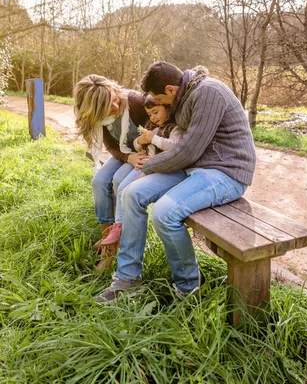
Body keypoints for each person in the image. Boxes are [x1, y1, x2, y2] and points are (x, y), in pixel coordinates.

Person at [96, 62, 256, 303]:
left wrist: (147, 167)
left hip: (225, 171)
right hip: (195, 168)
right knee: (130, 193)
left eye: (160, 99)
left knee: (164, 213)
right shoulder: (185, 96)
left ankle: (189, 286)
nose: (161, 105)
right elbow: (183, 150)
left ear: (171, 89)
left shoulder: (208, 93)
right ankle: (127, 279)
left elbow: (188, 151)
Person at [73, 74, 148, 270]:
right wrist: (128, 157)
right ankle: (108, 239)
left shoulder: (134, 103)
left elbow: (158, 131)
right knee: (99, 181)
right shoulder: (101, 118)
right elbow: (112, 147)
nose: (115, 107)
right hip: (127, 154)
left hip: (145, 155)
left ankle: (118, 243)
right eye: (108, 106)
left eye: (114, 100)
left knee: (118, 180)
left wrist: (135, 157)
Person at [100, 95, 181, 246]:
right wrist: (139, 141)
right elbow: (138, 146)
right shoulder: (152, 126)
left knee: (125, 188)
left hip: (157, 166)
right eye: (150, 114)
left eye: (156, 112)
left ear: (167, 108)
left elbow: (174, 147)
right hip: (146, 162)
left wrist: (153, 139)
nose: (153, 117)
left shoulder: (173, 127)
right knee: (119, 182)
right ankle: (118, 225)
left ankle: (119, 226)